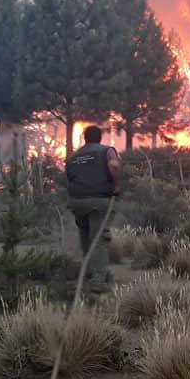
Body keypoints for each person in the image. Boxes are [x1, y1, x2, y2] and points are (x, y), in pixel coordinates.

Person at [65, 125, 121, 293]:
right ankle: (98, 281)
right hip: (98, 200)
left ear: (85, 138)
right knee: (99, 239)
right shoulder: (106, 151)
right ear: (100, 138)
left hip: (76, 201)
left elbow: (69, 176)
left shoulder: (73, 156)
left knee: (85, 236)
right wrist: (117, 186)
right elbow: (115, 166)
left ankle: (88, 272)